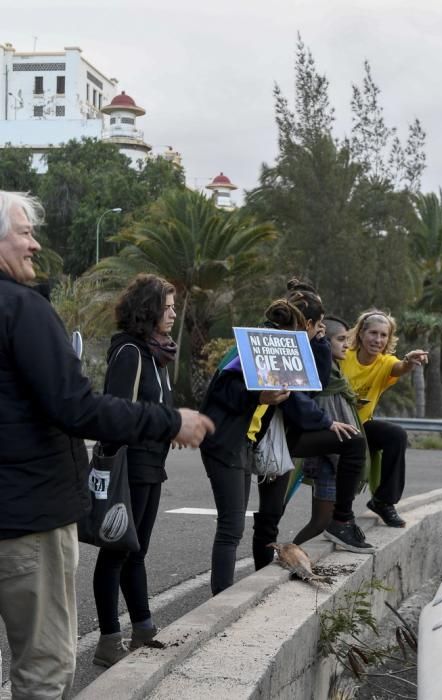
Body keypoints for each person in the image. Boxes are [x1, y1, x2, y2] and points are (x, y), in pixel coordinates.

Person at [0, 191, 214, 700]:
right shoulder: (22, 310)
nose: (35, 243)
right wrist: (169, 422)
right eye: (25, 232)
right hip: (26, 518)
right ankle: (121, 633)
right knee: (43, 671)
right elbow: (77, 407)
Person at [251, 287, 375, 566]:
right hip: (267, 437)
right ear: (307, 323)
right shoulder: (272, 346)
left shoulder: (303, 346)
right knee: (268, 516)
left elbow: (312, 386)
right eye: (319, 325)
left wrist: (319, 344)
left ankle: (341, 520)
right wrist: (327, 422)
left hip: (287, 435)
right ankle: (246, 578)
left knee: (353, 442)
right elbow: (296, 402)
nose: (321, 330)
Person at [92, 274, 178, 667]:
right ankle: (108, 640)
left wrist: (169, 425)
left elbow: (155, 407)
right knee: (116, 551)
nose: (174, 314)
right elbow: (116, 411)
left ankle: (143, 630)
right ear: (149, 309)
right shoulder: (129, 351)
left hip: (151, 464)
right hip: (130, 464)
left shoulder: (156, 352)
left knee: (136, 550)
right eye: (168, 307)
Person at [200, 300, 295, 595]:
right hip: (223, 443)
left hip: (241, 443)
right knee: (231, 527)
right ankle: (220, 599)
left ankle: (222, 594)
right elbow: (223, 392)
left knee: (233, 528)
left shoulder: (269, 351)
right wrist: (260, 396)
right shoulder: (246, 352)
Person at [340, 309, 428, 527]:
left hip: (362, 425)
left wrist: (409, 360)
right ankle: (341, 513)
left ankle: (383, 501)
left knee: (396, 435)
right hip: (335, 423)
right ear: (360, 333)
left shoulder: (385, 362)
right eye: (373, 333)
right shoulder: (343, 356)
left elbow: (399, 367)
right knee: (354, 445)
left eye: (383, 335)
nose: (377, 340)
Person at [293, 316, 363, 545]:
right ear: (326, 340)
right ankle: (287, 557)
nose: (346, 345)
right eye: (340, 339)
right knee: (321, 522)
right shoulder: (323, 377)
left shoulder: (336, 372)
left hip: (336, 458)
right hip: (329, 460)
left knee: (323, 522)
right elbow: (324, 414)